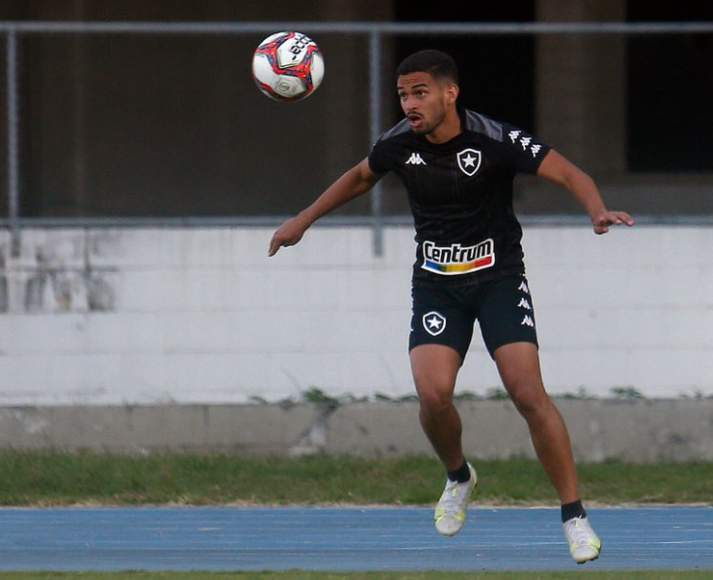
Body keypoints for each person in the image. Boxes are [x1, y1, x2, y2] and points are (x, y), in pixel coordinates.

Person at [268, 49, 633, 564]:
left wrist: (596, 211)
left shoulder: (493, 138)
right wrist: (301, 221)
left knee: (528, 393)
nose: (410, 104)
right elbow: (358, 177)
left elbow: (572, 174)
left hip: (498, 279)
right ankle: (459, 476)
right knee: (433, 395)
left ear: (449, 93)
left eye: (420, 93)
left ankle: (574, 516)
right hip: (438, 285)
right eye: (402, 95)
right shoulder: (399, 144)